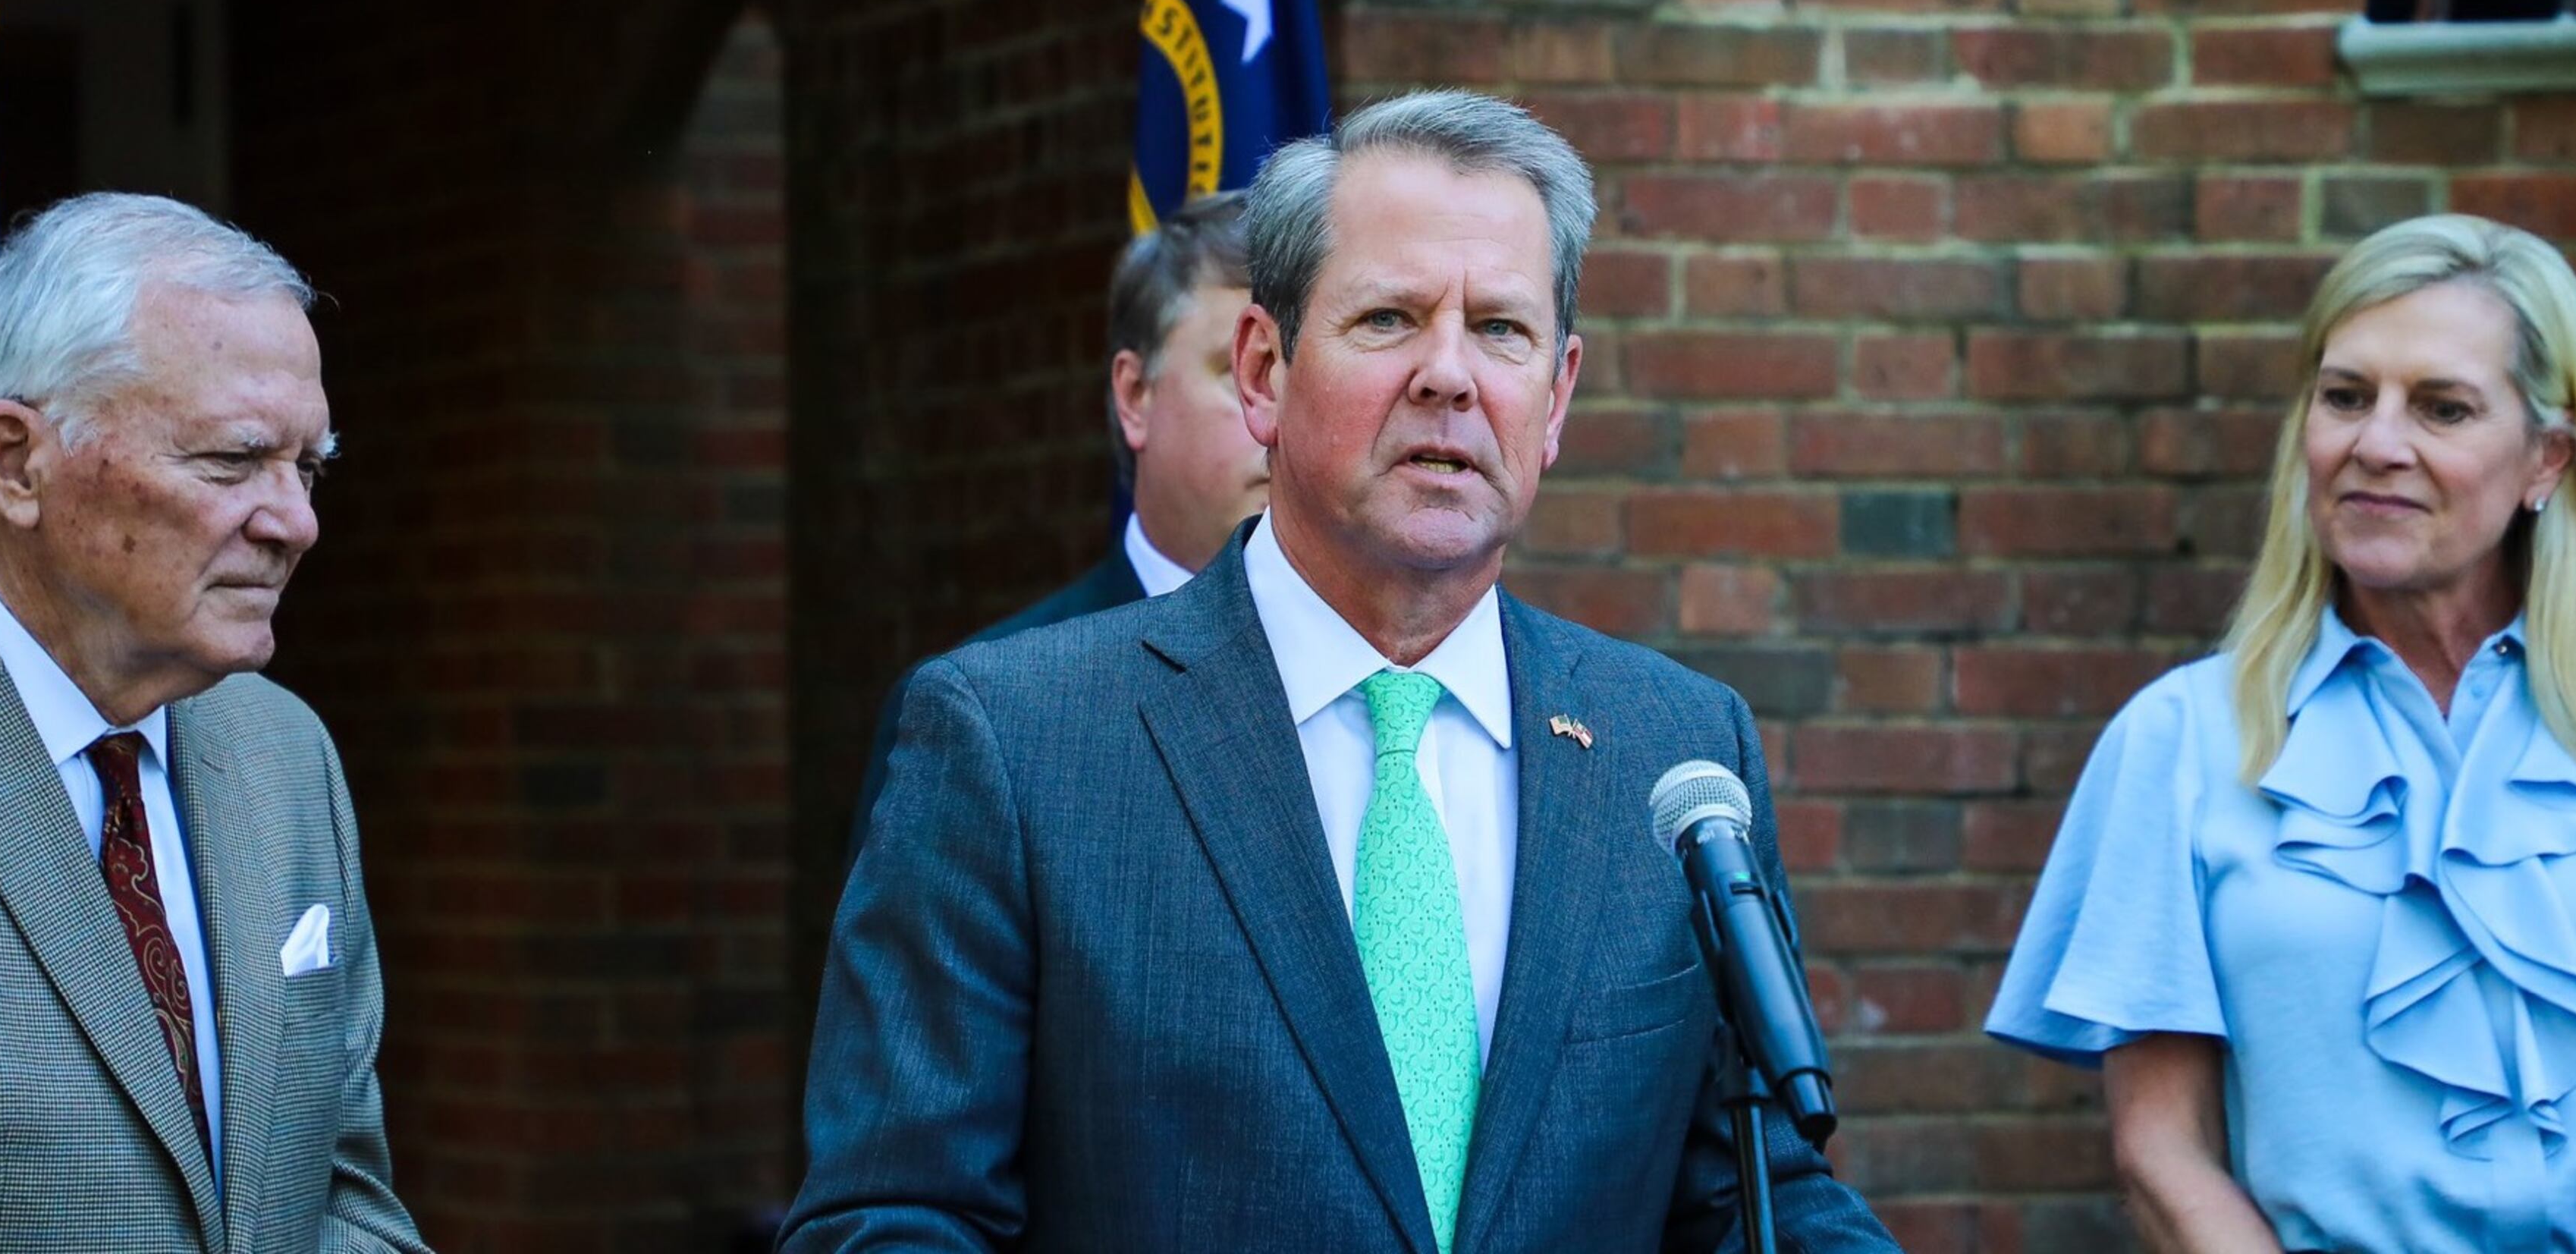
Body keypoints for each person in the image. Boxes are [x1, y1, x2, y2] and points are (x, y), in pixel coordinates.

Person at [782, 91, 1895, 1252]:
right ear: (1263, 369)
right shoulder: (1015, 744)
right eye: (1389, 319)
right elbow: (895, 1220)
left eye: (1502, 331)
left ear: (1556, 397)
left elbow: (1754, 1198)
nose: (1450, 377)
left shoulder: (1674, 751)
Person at [1987, 213, 2576, 1252]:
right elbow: (2162, 1153)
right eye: (2346, 397)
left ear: (2547, 460)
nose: (2377, 445)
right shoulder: (2178, 740)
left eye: (2442, 408)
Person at [0, 194, 426, 1252]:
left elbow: (344, 1194)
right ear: (15, 463)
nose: (296, 524)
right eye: (232, 462)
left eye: (308, 467)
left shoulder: (282, 754)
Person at [847, 190, 1265, 851]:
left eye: (1307, 374)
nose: (1281, 418)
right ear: (1135, 395)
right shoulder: (984, 718)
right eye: (1246, 372)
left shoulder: (1395, 691)